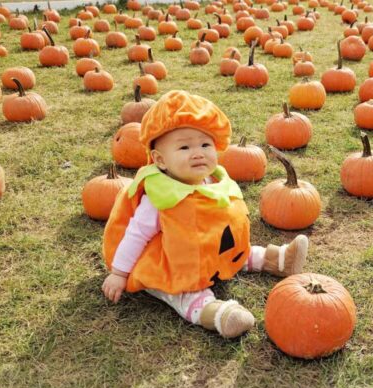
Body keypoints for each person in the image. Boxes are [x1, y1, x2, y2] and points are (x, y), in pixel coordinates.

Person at [101, 90, 309, 338]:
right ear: (160, 160)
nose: (198, 152)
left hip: (211, 251)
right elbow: (135, 235)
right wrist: (119, 273)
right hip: (175, 265)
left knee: (236, 251)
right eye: (185, 147)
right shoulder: (160, 197)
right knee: (184, 293)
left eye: (205, 144)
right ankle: (216, 313)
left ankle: (278, 260)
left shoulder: (213, 179)